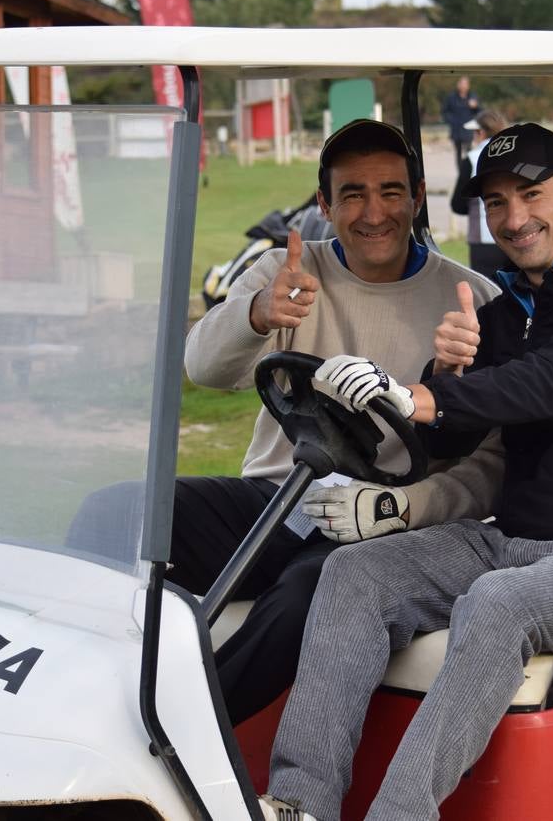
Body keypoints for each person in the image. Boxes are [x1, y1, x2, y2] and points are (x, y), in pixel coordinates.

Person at [260, 123, 553, 821]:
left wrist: (419, 393)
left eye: (530, 194)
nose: (515, 219)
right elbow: (455, 433)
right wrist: (447, 370)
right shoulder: (500, 313)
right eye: (495, 203)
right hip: (510, 540)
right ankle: (301, 803)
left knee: (495, 603)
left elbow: (549, 383)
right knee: (355, 572)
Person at [67, 119, 502, 726]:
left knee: (308, 594)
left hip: (383, 523)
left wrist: (402, 503)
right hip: (275, 498)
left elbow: (490, 463)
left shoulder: (472, 300)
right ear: (324, 203)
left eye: (390, 192)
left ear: (418, 196)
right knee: (113, 514)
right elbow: (202, 368)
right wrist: (255, 313)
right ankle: (76, 692)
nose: (373, 212)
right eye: (352, 194)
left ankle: (179, 729)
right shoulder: (288, 272)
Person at [448, 108, 510, 281]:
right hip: (514, 235)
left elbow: (458, 205)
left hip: (482, 241)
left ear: (481, 132)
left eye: (475, 133)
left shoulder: (472, 158)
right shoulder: (513, 155)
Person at [441, 76, 480, 172]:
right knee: (458, 153)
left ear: (468, 86)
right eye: (461, 83)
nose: (463, 86)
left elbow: (479, 112)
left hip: (468, 129)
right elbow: (445, 112)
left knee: (469, 152)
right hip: (456, 129)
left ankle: (470, 171)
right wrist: (452, 121)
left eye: (465, 84)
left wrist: (475, 106)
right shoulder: (451, 97)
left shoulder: (473, 96)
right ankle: (460, 173)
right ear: (458, 85)